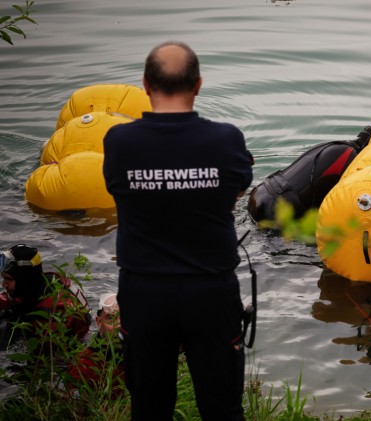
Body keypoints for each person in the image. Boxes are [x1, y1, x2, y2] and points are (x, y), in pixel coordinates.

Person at [103, 41, 254, 420]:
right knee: (222, 407)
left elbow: (118, 190)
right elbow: (234, 193)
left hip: (144, 292)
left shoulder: (119, 142)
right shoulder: (227, 140)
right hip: (210, 290)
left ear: (145, 84)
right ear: (198, 84)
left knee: (149, 407)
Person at [0, 244, 91, 349]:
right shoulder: (39, 283)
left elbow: (48, 356)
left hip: (68, 350)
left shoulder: (56, 309)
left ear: (24, 278)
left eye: (8, 279)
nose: (3, 284)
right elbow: (13, 299)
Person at [66, 292, 125, 398]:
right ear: (99, 322)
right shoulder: (84, 367)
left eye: (126, 318)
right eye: (111, 318)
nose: (118, 325)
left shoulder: (147, 355)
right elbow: (76, 406)